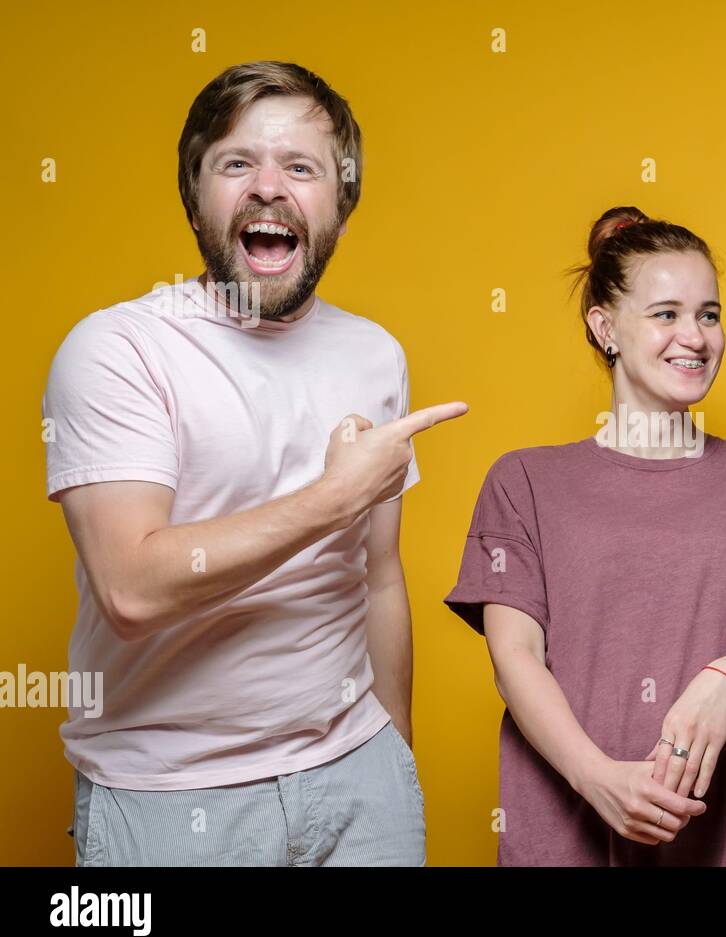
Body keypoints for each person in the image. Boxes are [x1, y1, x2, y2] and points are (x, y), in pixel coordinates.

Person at [42, 61, 466, 866]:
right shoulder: (118, 350)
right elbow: (130, 590)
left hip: (358, 780)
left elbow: (377, 576)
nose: (269, 188)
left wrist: (396, 763)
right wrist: (332, 497)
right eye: (237, 163)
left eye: (301, 167)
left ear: (340, 201)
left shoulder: (374, 355)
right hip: (170, 798)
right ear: (193, 191)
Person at [444, 207, 726, 865]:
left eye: (709, 314)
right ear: (605, 328)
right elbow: (514, 656)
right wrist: (598, 779)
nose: (695, 336)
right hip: (568, 834)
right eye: (666, 314)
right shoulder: (524, 482)